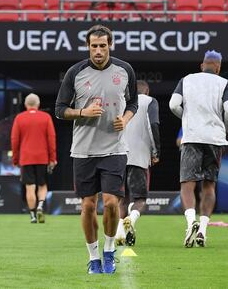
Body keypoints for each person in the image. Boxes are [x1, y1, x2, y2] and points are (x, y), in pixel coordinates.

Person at [54, 24, 137, 275]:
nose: (98, 51)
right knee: (88, 206)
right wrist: (82, 112)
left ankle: (109, 251)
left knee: (112, 203)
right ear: (88, 47)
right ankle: (93, 258)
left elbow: (132, 101)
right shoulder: (75, 73)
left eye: (103, 46)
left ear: (110, 45)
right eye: (94, 46)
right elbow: (59, 109)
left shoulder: (125, 70)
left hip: (115, 148)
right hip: (83, 150)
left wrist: (127, 118)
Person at [169, 50, 228, 248]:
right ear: (219, 67)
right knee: (209, 184)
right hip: (214, 139)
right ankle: (203, 230)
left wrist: (187, 118)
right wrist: (224, 128)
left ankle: (190, 223)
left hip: (191, 137)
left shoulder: (186, 80)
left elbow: (173, 105)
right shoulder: (224, 83)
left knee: (187, 184)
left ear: (202, 65)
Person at [115, 80, 160, 247]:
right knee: (140, 199)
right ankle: (131, 220)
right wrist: (156, 151)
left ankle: (119, 232)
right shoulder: (150, 101)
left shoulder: (121, 102)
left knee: (122, 198)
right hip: (139, 156)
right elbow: (153, 125)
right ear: (147, 91)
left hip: (119, 155)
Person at [10, 93, 57, 224]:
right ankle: (40, 206)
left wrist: (15, 159)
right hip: (42, 158)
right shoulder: (46, 117)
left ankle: (32, 215)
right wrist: (53, 158)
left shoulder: (19, 118)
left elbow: (14, 140)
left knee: (29, 187)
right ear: (38, 104)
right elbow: (51, 139)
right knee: (42, 185)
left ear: (25, 105)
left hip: (26, 158)